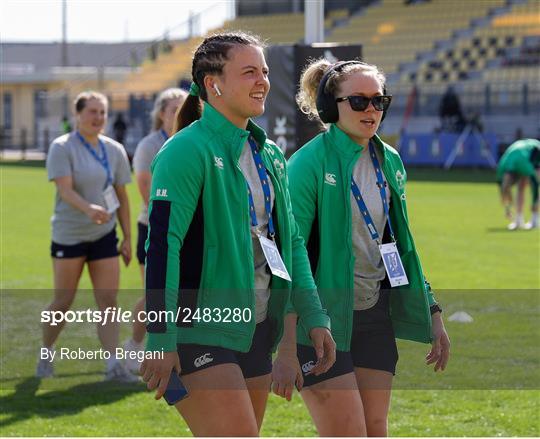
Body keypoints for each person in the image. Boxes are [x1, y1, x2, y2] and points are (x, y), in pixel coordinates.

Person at [139, 32, 336, 436]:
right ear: (214, 84)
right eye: (249, 72)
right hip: (198, 328)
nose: (262, 81)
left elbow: (292, 244)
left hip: (257, 327)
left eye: (264, 71)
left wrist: (315, 317)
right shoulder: (184, 150)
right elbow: (162, 248)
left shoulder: (270, 155)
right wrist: (161, 336)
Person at [280, 59, 450, 436]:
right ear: (330, 106)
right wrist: (288, 344)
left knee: (375, 428)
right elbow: (290, 256)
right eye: (358, 101)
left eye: (379, 101)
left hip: (374, 316)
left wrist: (432, 309)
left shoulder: (389, 161)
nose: (371, 110)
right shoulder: (306, 164)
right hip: (318, 319)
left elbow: (400, 244)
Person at [38, 91, 135, 382]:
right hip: (69, 234)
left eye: (103, 112)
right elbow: (65, 190)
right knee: (62, 302)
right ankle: (46, 352)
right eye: (92, 111)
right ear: (78, 114)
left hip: (104, 235)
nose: (98, 118)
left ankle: (113, 365)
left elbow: (122, 195)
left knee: (108, 302)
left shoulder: (114, 149)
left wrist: (127, 236)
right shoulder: (62, 146)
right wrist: (89, 208)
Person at [123, 88, 187, 374]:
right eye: (174, 109)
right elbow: (147, 193)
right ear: (161, 114)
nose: (179, 114)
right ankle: (135, 346)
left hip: (186, 231)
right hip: (153, 229)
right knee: (154, 296)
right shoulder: (150, 145)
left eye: (184, 108)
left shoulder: (190, 140)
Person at [496, 138, 540, 230]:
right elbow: (503, 190)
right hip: (520, 153)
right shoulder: (502, 168)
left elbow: (535, 186)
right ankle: (518, 220)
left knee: (533, 181)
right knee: (521, 187)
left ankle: (535, 219)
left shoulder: (524, 166)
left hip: (535, 150)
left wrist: (534, 208)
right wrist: (507, 208)